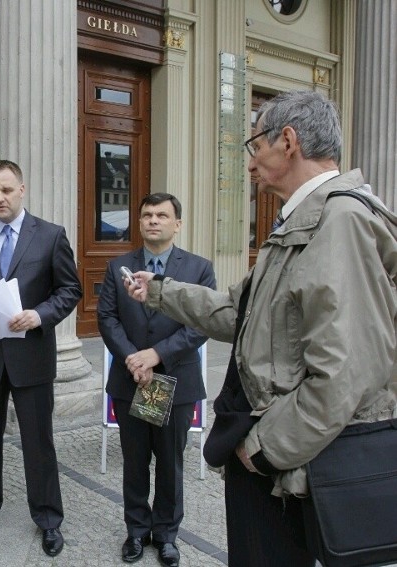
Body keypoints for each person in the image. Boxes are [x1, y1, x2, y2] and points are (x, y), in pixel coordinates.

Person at [123, 90, 397, 566]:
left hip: (294, 464)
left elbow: (344, 374)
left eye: (255, 145)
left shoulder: (340, 222)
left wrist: (263, 450)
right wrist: (161, 290)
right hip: (275, 456)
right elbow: (238, 311)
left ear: (288, 141)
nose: (250, 163)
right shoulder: (302, 222)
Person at [0, 159, 82, 558]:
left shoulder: (50, 235)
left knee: (38, 443)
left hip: (32, 357)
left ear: (21, 190)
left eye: (6, 190)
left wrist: (40, 314)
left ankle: (48, 519)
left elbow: (70, 289)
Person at [97, 193, 216, 567]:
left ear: (177, 224)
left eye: (162, 215)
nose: (152, 221)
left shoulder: (199, 269)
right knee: (133, 462)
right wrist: (133, 357)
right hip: (129, 379)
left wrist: (157, 354)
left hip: (175, 381)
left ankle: (166, 535)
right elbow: (107, 318)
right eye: (146, 214)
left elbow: (202, 323)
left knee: (169, 463)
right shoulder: (118, 266)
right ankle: (136, 531)